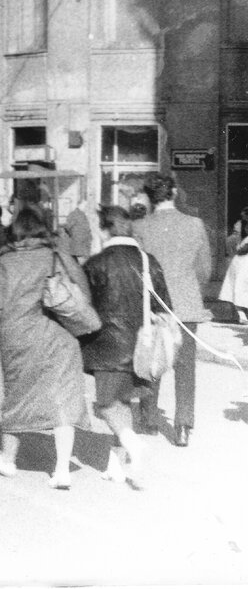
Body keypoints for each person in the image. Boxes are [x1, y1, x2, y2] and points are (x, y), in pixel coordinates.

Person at [0, 206, 91, 490]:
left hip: (19, 338)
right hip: (60, 336)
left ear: (15, 231)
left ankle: (8, 460)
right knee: (63, 400)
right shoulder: (58, 255)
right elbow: (83, 288)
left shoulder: (2, 263)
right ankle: (61, 470)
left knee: (17, 396)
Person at [82, 205, 172, 489]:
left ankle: (133, 444)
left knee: (107, 404)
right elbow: (165, 307)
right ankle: (116, 466)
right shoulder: (148, 261)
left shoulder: (96, 263)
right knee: (123, 403)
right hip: (141, 348)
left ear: (104, 229)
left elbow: (83, 307)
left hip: (107, 345)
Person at [132, 173, 212, 447]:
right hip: (187, 305)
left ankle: (150, 419)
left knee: (154, 359)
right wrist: (190, 290)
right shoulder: (195, 224)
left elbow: (137, 269)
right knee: (185, 365)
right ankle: (182, 426)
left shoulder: (140, 227)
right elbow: (205, 269)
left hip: (154, 304)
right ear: (174, 192)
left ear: (149, 197)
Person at [219, 231, 248, 324]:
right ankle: (241, 315)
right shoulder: (244, 239)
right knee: (236, 290)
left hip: (242, 266)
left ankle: (241, 315)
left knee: (239, 290)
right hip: (240, 265)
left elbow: (241, 250)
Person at [62, 198, 93, 263]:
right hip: (78, 245)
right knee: (81, 265)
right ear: (80, 204)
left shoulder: (82, 214)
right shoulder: (74, 214)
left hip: (83, 244)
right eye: (85, 205)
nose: (86, 207)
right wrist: (75, 235)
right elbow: (68, 227)